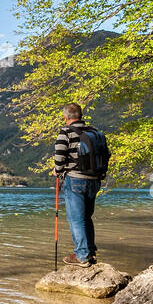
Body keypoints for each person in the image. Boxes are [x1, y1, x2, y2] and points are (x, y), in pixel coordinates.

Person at [53, 102, 108, 267]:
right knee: (86, 217)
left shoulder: (66, 132)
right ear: (80, 116)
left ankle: (82, 256)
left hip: (75, 179)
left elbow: (60, 157)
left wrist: (57, 170)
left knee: (76, 219)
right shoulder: (94, 132)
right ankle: (90, 252)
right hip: (94, 180)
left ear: (66, 117)